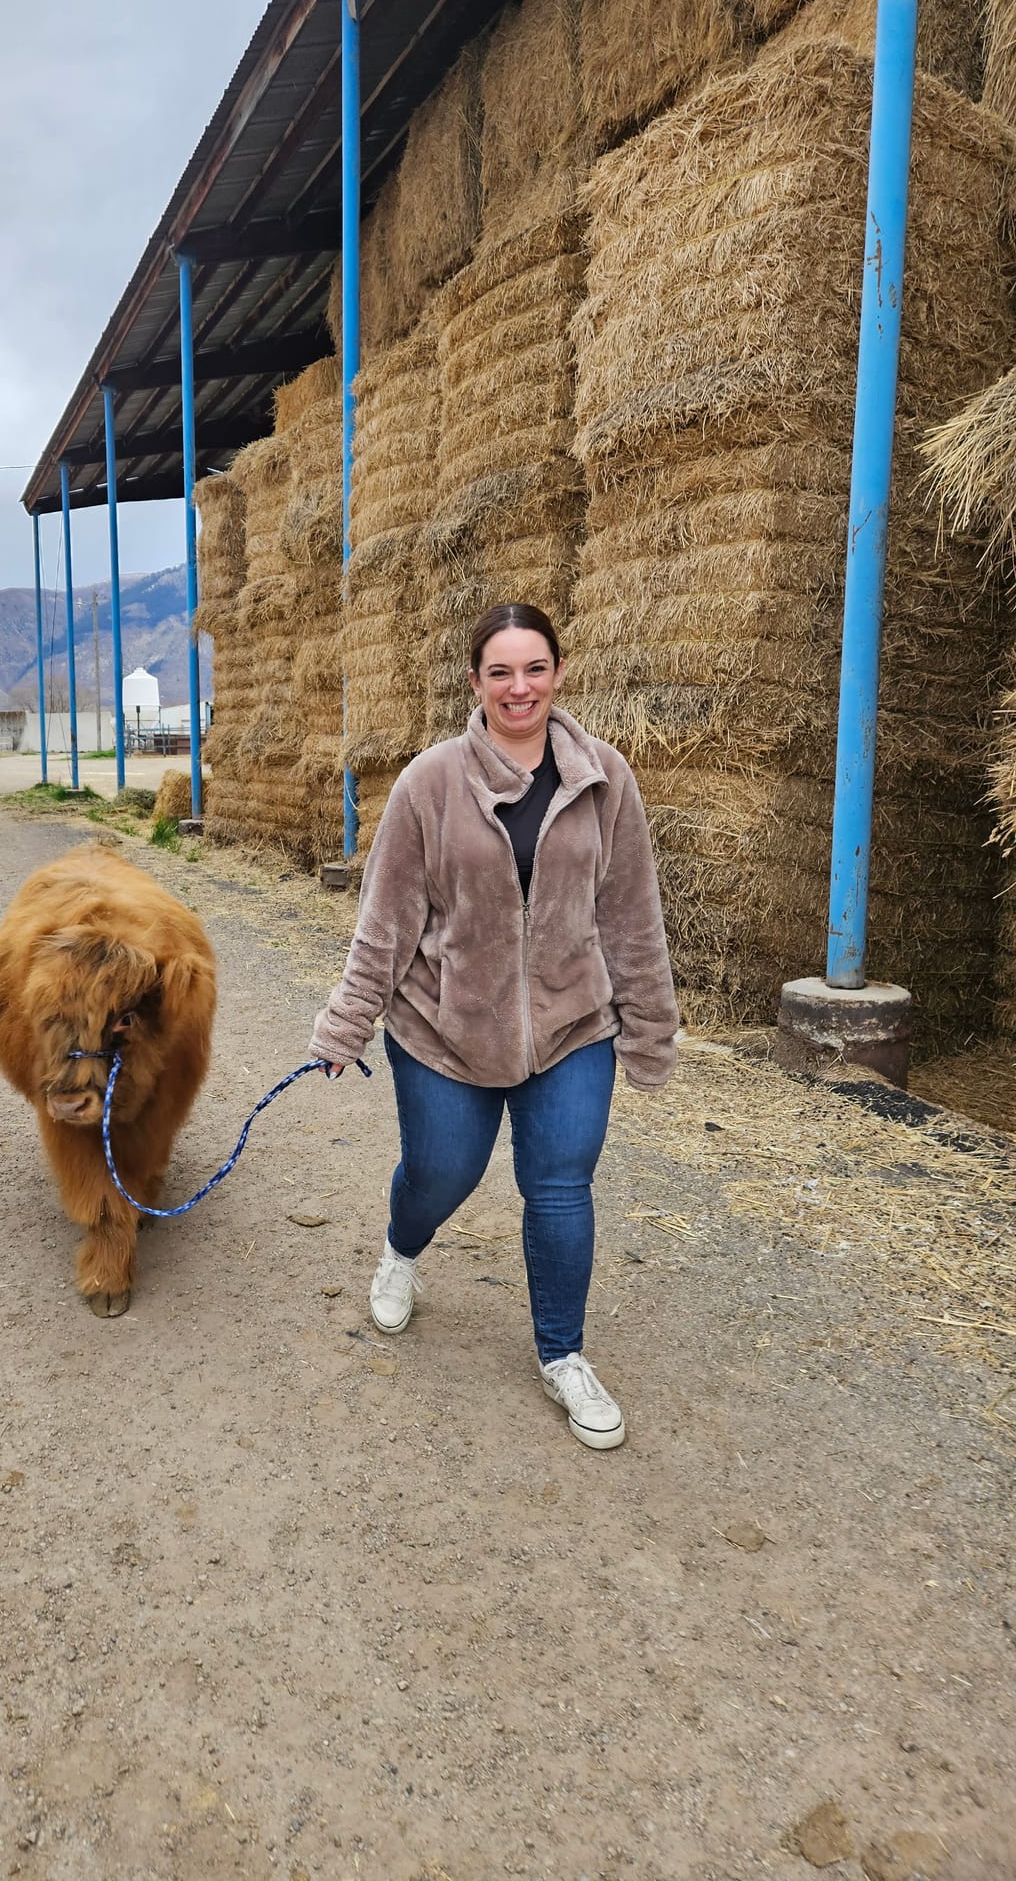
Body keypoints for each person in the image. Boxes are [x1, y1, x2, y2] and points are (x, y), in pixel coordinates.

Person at [310, 602, 678, 1450]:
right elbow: (388, 922)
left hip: (570, 1026)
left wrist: (649, 1030)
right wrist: (346, 1025)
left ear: (558, 674)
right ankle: (402, 1250)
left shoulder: (605, 776)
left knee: (558, 1186)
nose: (521, 687)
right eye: (501, 672)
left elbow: (630, 916)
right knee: (443, 1173)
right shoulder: (428, 783)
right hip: (444, 1027)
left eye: (535, 668)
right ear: (475, 683)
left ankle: (564, 1356)